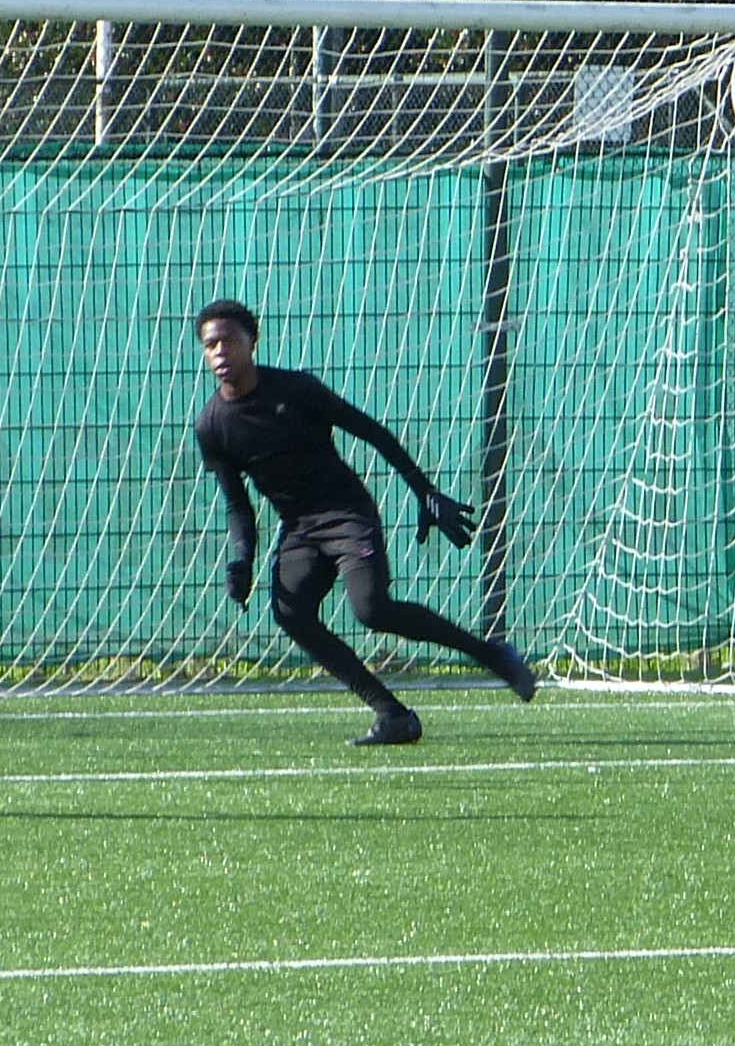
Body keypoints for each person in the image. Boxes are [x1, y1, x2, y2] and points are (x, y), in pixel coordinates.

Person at [193, 297, 534, 746]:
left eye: (228, 341)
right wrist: (243, 560)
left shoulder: (295, 390)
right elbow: (239, 507)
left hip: (347, 513)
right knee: (290, 612)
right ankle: (392, 714)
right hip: (299, 528)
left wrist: (424, 491)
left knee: (371, 609)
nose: (219, 352)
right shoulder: (212, 426)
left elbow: (370, 431)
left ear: (251, 342)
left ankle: (492, 655)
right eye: (210, 344)